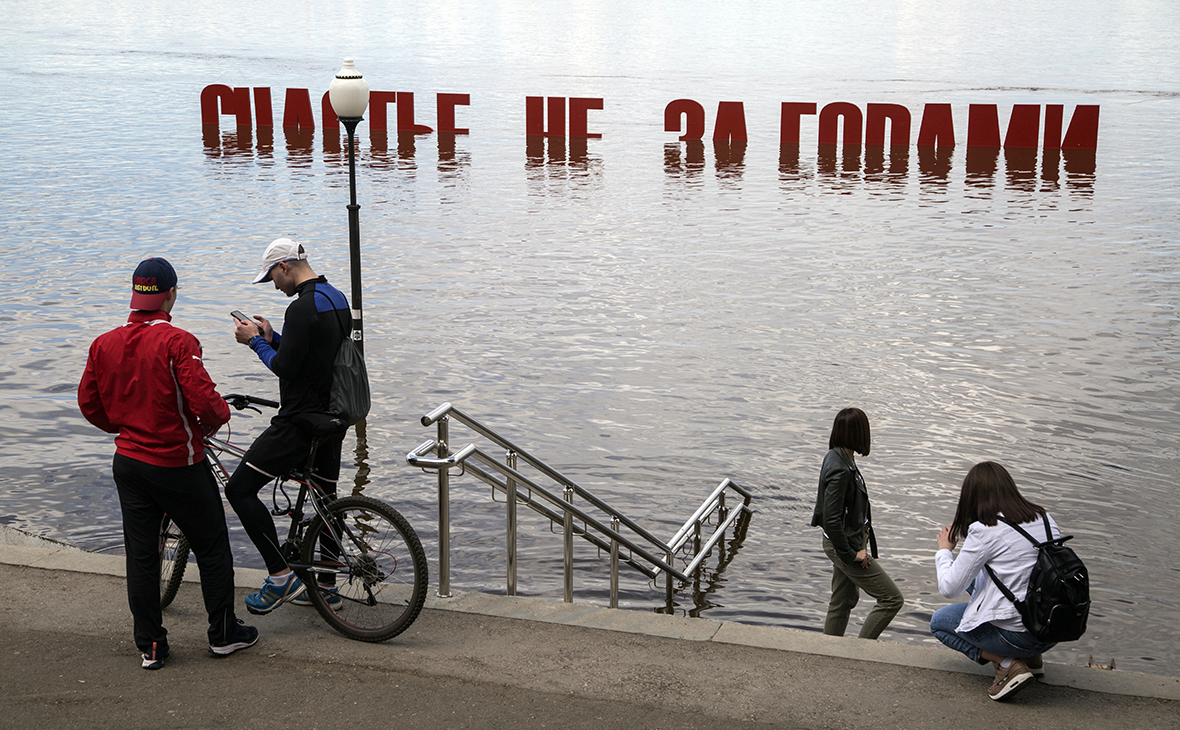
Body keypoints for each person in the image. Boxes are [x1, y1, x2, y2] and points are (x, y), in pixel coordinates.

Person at [78, 257, 258, 669]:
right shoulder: (179, 341)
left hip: (128, 461)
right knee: (212, 545)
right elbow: (209, 405)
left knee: (142, 554)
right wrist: (212, 423)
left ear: (135, 294)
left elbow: (89, 403)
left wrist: (125, 427)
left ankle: (151, 645)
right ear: (171, 293)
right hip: (177, 461)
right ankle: (223, 634)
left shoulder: (103, 342)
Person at [226, 238, 351, 614]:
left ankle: (280, 577)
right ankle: (327, 587)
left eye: (272, 278)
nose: (274, 287)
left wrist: (254, 343)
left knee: (239, 490)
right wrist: (274, 338)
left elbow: (285, 367)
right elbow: (314, 354)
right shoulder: (335, 298)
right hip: (335, 416)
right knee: (327, 499)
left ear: (285, 267)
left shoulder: (300, 308)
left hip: (299, 421)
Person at [931, 461, 1059, 701]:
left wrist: (945, 551)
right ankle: (1033, 659)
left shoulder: (985, 529)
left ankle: (1008, 664)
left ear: (972, 497)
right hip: (1052, 630)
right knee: (993, 579)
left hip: (1019, 636)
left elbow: (948, 588)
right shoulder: (1044, 517)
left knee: (939, 622)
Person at [810, 407, 904, 639]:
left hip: (846, 541)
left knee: (843, 600)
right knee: (891, 599)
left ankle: (829, 650)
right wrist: (852, 554)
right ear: (857, 433)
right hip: (845, 545)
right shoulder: (841, 468)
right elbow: (831, 520)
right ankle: (862, 650)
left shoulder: (837, 456)